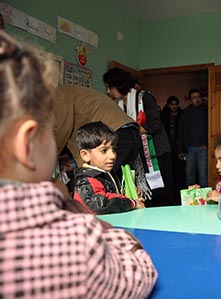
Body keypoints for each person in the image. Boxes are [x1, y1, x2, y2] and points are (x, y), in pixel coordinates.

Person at [0, 30, 157, 298]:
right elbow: (141, 273)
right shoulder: (77, 242)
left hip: (118, 132)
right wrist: (112, 232)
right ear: (26, 145)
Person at [53, 84, 151, 201]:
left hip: (113, 134)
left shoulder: (58, 96)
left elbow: (59, 133)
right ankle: (129, 204)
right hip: (129, 132)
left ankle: (127, 204)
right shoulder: (71, 92)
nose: (112, 155)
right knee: (119, 183)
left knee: (104, 187)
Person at [103, 67, 175, 207]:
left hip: (157, 152)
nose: (108, 91)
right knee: (147, 192)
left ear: (118, 84)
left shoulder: (144, 97)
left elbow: (154, 124)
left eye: (109, 87)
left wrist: (131, 132)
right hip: (138, 154)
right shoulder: (117, 105)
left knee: (163, 190)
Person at [73, 121, 146, 214]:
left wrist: (130, 196)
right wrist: (130, 203)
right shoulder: (86, 181)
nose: (112, 156)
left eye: (114, 149)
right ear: (85, 155)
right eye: (104, 150)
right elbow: (100, 204)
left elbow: (113, 196)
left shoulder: (108, 174)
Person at [179, 88, 209, 188]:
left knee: (203, 177)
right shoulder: (185, 112)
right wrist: (182, 149)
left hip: (203, 148)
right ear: (190, 100)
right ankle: (189, 200)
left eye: (198, 97)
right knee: (189, 177)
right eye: (194, 98)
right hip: (189, 149)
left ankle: (205, 201)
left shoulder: (207, 110)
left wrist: (207, 144)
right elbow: (181, 130)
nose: (197, 99)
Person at [160, 95, 185, 204]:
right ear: (168, 105)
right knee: (169, 173)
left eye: (176, 104)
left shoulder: (182, 114)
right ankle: (170, 197)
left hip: (179, 147)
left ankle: (179, 197)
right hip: (167, 147)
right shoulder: (163, 115)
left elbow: (184, 131)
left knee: (180, 172)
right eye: (172, 104)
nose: (174, 107)